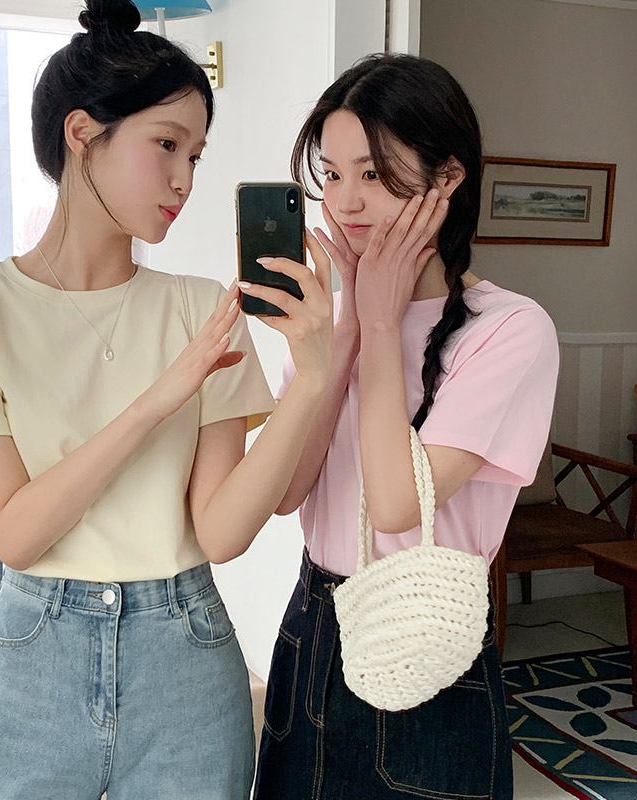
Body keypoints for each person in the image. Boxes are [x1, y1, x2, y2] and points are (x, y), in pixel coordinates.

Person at [0, 1, 335, 797]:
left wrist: (311, 379)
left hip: (186, 659)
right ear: (82, 133)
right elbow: (18, 534)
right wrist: (155, 400)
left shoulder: (203, 309)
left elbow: (221, 533)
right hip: (37, 660)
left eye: (196, 155)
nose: (185, 180)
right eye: (166, 145)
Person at [246, 53, 560, 800]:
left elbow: (395, 505)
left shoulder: (511, 329)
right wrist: (348, 331)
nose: (347, 201)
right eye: (332, 174)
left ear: (446, 179)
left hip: (425, 638)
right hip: (311, 628)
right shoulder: (335, 323)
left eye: (375, 174)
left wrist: (382, 325)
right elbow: (286, 492)